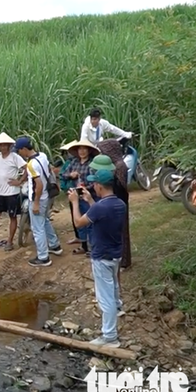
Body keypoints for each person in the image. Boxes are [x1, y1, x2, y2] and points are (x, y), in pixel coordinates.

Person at [68, 169, 126, 347]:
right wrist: (91, 201)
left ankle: (109, 337)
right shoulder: (119, 204)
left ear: (99, 186)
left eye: (94, 184)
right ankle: (117, 308)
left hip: (101, 256)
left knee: (105, 297)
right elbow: (101, 214)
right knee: (113, 287)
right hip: (115, 254)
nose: (93, 186)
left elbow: (79, 222)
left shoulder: (101, 207)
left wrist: (75, 202)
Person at [14, 137, 63, 267]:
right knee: (45, 221)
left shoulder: (31, 164)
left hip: (38, 198)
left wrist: (35, 202)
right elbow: (48, 170)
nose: (19, 153)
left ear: (24, 149)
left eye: (19, 151)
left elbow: (39, 185)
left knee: (37, 228)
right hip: (46, 197)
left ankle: (43, 257)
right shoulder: (42, 155)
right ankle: (55, 245)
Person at [95, 140, 132, 269]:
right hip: (116, 201)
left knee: (122, 232)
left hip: (119, 202)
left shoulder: (120, 166)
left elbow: (121, 187)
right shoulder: (115, 164)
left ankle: (124, 261)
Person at [62, 139, 99, 255]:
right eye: (80, 149)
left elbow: (94, 182)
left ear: (89, 150)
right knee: (79, 222)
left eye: (84, 148)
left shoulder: (92, 164)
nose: (82, 151)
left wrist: (84, 187)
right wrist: (70, 175)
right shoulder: (74, 162)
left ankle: (92, 246)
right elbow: (64, 174)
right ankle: (84, 246)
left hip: (88, 196)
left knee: (89, 221)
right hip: (76, 196)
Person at [57, 141, 80, 246]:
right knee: (75, 214)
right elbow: (63, 175)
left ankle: (83, 239)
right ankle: (79, 237)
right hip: (71, 190)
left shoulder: (74, 162)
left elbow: (62, 175)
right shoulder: (70, 163)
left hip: (79, 190)